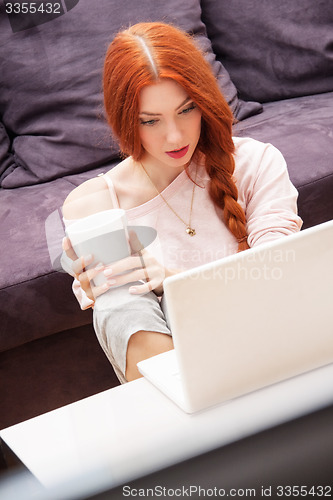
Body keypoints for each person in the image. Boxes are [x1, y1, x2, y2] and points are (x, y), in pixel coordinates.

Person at [62, 22, 302, 383]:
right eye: (150, 120)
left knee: (140, 292)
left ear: (204, 101)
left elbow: (280, 280)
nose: (174, 136)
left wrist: (172, 280)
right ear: (126, 119)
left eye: (186, 110)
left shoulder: (256, 163)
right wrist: (98, 279)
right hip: (186, 373)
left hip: (271, 338)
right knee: (118, 297)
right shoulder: (96, 204)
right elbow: (119, 309)